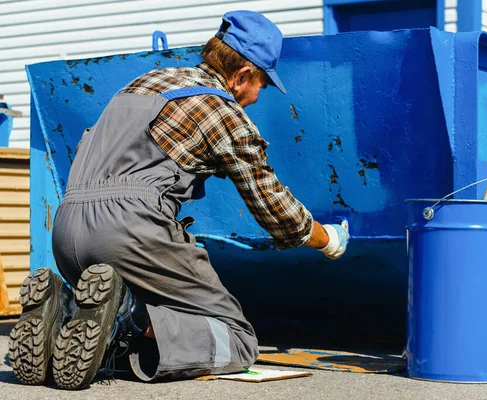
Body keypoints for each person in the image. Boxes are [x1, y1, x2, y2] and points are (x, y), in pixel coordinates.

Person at [8, 10, 350, 389]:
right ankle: (128, 317)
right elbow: (275, 211)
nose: (258, 96)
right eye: (263, 85)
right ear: (241, 77)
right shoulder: (224, 113)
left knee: (154, 310)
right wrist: (328, 239)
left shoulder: (146, 81)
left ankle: (68, 314)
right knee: (236, 338)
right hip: (129, 229)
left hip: (67, 226)